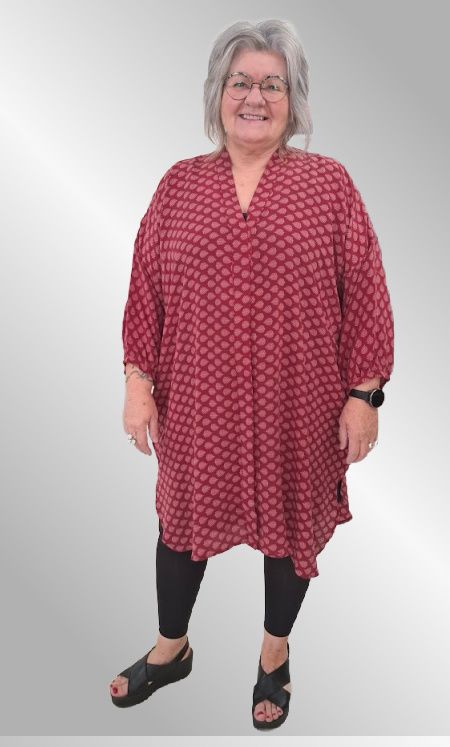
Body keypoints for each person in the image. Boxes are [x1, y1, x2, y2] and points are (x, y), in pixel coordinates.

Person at [109, 18, 394, 729]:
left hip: (301, 399)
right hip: (196, 398)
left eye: (272, 84)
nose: (255, 97)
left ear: (293, 101)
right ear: (218, 93)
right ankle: (171, 649)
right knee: (181, 523)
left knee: (291, 525)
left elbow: (365, 290)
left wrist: (365, 393)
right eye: (241, 82)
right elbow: (146, 288)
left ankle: (274, 655)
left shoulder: (328, 185)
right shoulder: (179, 185)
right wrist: (137, 380)